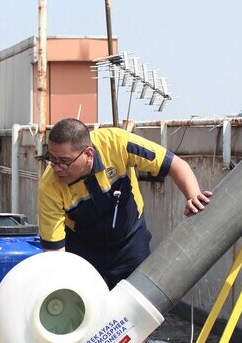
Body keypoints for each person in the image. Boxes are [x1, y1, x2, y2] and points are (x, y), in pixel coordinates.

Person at [38, 118, 212, 288]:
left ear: (89, 154)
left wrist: (193, 196)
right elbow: (55, 254)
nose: (57, 168)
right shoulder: (49, 187)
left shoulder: (118, 143)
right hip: (84, 246)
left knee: (139, 302)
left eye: (65, 161)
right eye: (52, 159)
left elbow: (175, 164)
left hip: (130, 239)